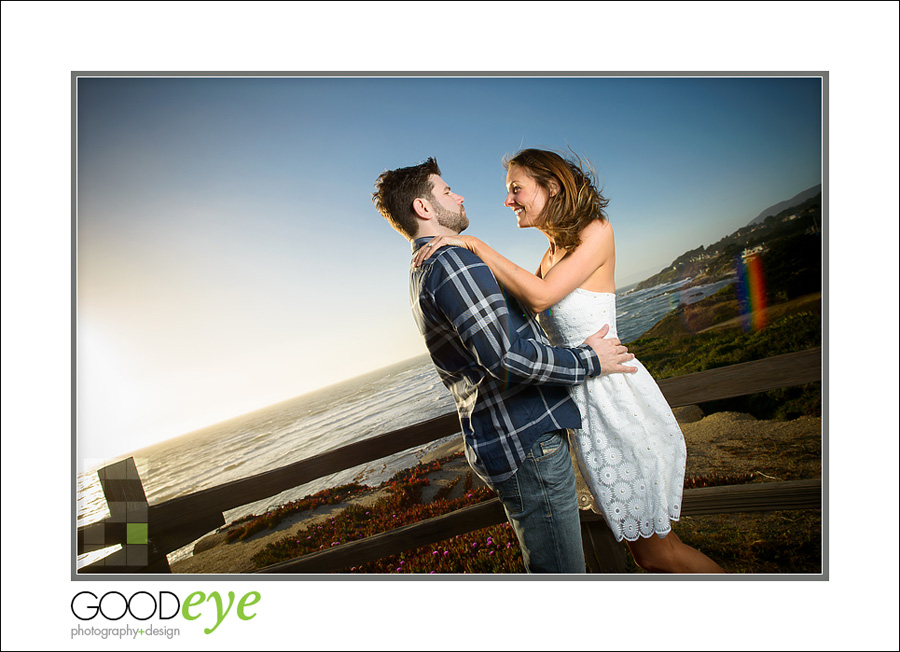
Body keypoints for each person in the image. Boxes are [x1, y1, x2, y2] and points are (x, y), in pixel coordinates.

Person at [415, 149, 726, 573]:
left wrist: (472, 244)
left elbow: (540, 298)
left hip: (615, 399)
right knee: (645, 555)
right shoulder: (549, 255)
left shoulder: (597, 231)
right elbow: (522, 314)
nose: (509, 200)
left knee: (660, 552)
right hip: (587, 408)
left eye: (516, 188)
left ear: (552, 186)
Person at [372, 157, 638, 574]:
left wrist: (478, 245)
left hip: (513, 436)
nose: (458, 196)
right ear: (424, 208)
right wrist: (589, 359)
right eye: (445, 191)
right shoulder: (452, 262)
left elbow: (526, 308)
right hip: (526, 440)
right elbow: (506, 358)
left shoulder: (427, 266)